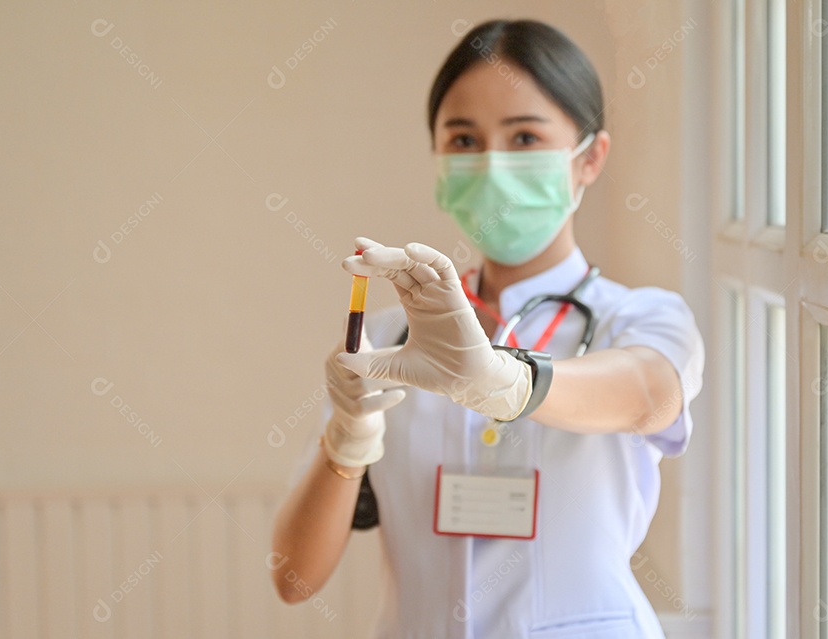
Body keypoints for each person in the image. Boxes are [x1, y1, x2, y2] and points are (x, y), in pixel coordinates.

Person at [271, 18, 704, 638]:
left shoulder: (639, 317)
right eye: (465, 140)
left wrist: (507, 381)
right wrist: (346, 439)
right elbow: (294, 580)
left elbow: (649, 395)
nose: (493, 164)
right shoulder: (388, 343)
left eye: (525, 137)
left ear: (590, 158)